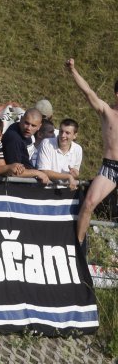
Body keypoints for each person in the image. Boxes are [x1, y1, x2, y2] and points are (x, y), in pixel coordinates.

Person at [65, 58, 118, 245]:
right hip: (110, 167)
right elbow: (88, 92)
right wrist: (73, 70)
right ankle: (78, 248)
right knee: (88, 204)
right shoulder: (107, 111)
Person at [37, 118, 82, 190]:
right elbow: (44, 171)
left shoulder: (78, 149)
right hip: (46, 189)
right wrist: (68, 176)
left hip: (65, 191)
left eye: (67, 133)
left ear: (75, 135)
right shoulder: (46, 143)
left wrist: (75, 174)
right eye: (61, 131)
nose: (63, 135)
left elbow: (76, 172)